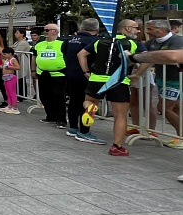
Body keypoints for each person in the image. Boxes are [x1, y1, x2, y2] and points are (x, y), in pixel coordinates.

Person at [77, 19, 141, 153]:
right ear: (128, 29)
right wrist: (138, 74)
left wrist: (86, 72)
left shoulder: (99, 40)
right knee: (120, 115)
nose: (138, 30)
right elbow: (146, 58)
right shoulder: (133, 43)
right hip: (119, 80)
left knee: (88, 101)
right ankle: (117, 147)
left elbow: (81, 54)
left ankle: (91, 108)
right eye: (136, 27)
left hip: (96, 79)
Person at [136, 19, 183, 149]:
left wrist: (157, 58)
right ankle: (178, 136)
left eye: (150, 29)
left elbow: (174, 59)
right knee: (175, 107)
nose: (147, 32)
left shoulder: (177, 41)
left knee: (164, 108)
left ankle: (181, 136)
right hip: (162, 78)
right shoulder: (151, 42)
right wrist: (137, 73)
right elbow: (144, 57)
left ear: (161, 30)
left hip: (176, 79)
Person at [63, 18, 100, 136]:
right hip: (89, 75)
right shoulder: (95, 41)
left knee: (74, 101)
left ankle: (73, 127)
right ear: (97, 29)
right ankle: (85, 130)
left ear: (81, 28)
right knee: (88, 103)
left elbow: (64, 53)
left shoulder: (69, 40)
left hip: (71, 74)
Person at [32, 23, 68, 128]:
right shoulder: (39, 44)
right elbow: (34, 57)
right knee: (44, 96)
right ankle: (50, 116)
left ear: (55, 31)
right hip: (43, 73)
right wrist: (33, 70)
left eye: (47, 30)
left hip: (59, 74)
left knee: (58, 97)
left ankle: (61, 119)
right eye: (44, 30)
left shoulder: (63, 43)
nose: (45, 32)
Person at [0, 47, 21, 114]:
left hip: (11, 77)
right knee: (7, 92)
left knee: (12, 93)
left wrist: (9, 67)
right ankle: (9, 105)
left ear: (10, 54)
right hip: (5, 77)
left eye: (5, 54)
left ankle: (14, 107)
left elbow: (18, 67)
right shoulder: (7, 60)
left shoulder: (13, 59)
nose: (4, 56)